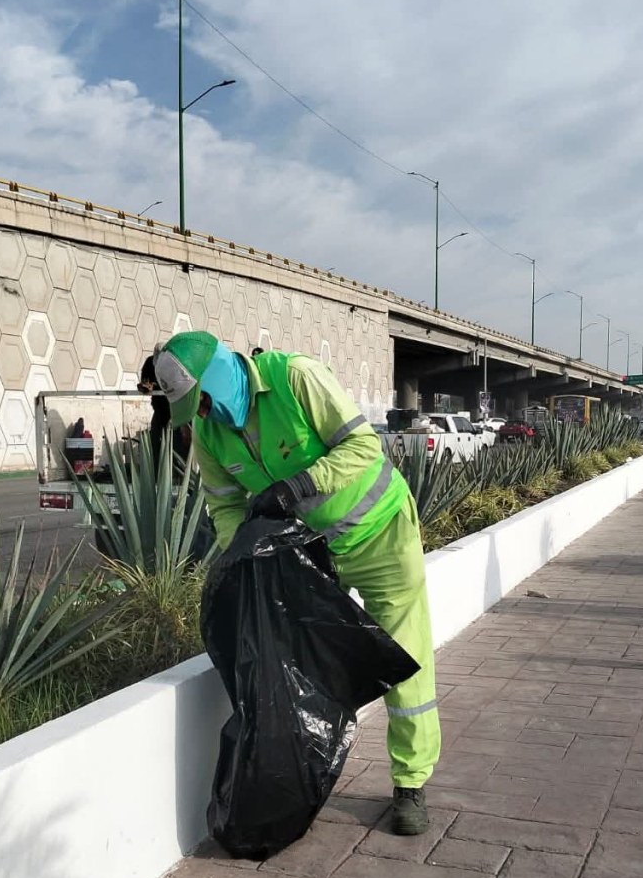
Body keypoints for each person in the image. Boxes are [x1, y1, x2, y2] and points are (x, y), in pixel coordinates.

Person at [153, 331, 441, 835]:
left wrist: (297, 486)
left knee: (406, 657)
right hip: (308, 558)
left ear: (219, 377)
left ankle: (410, 784)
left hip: (381, 536)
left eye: (201, 402)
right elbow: (224, 506)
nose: (201, 415)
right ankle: (301, 771)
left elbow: (363, 448)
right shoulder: (209, 434)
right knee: (295, 663)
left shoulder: (296, 378)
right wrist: (243, 551)